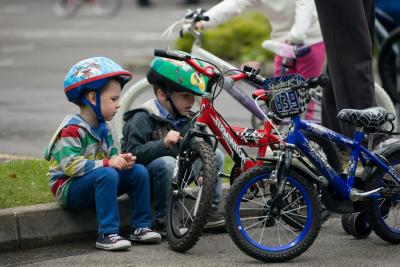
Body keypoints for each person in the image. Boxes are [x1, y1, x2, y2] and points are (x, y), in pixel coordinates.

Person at [44, 57, 161, 251]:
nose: (118, 104)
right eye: (114, 99)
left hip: (98, 179)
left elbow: (113, 156)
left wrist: (123, 160)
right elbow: (71, 166)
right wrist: (109, 163)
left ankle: (141, 227)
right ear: (92, 98)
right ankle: (107, 234)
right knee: (108, 173)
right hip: (69, 187)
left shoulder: (104, 129)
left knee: (139, 171)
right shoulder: (72, 130)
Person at [120, 56, 225, 236]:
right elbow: (132, 153)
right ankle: (163, 220)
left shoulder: (188, 118)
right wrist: (163, 144)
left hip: (178, 175)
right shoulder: (143, 117)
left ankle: (208, 212)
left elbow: (203, 146)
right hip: (150, 180)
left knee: (218, 156)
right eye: (185, 96)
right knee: (167, 162)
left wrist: (203, 170)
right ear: (162, 94)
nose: (191, 101)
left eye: (193, 96)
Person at [195, 0, 325, 120]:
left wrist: (296, 36)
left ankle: (311, 140)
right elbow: (234, 3)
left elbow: (305, 7)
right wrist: (204, 21)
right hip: (282, 42)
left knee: (305, 100)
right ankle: (283, 138)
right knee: (278, 100)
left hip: (309, 40)